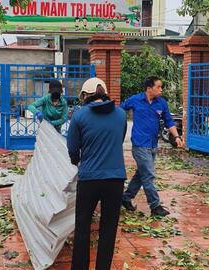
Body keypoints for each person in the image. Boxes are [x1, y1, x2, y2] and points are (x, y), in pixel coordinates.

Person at [67, 78, 127, 270]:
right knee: (108, 230)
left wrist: (77, 161)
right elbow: (119, 138)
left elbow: (72, 148)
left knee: (82, 227)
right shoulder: (121, 115)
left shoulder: (79, 116)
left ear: (85, 95)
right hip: (116, 180)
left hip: (89, 179)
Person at [121, 76, 184, 217]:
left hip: (153, 145)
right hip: (139, 145)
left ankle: (125, 198)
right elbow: (119, 110)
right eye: (158, 87)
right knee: (148, 174)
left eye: (161, 87)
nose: (161, 90)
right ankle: (155, 206)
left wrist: (177, 137)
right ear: (149, 88)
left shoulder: (161, 103)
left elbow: (169, 121)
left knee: (141, 174)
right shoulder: (135, 100)